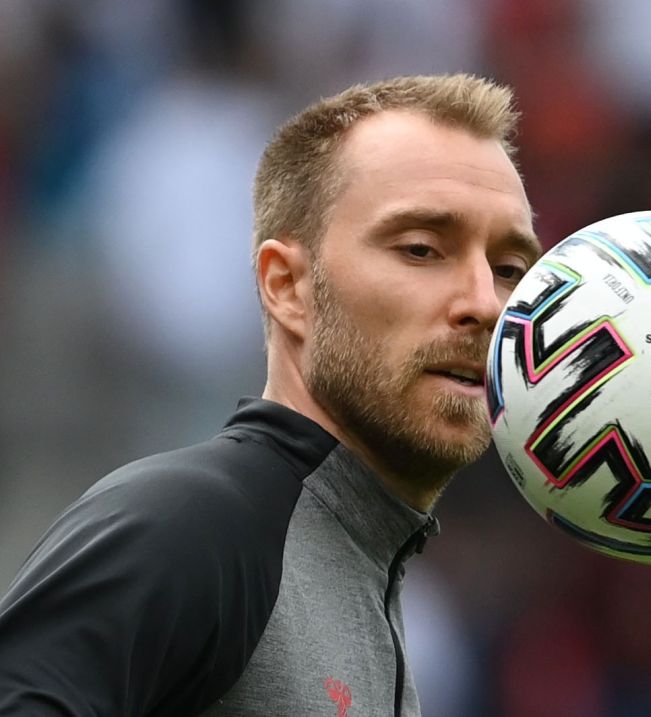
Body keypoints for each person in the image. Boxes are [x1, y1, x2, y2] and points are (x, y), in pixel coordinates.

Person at [0, 74, 541, 716]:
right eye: (422, 249)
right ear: (287, 287)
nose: (486, 302)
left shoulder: (368, 574)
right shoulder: (191, 527)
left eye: (509, 269)